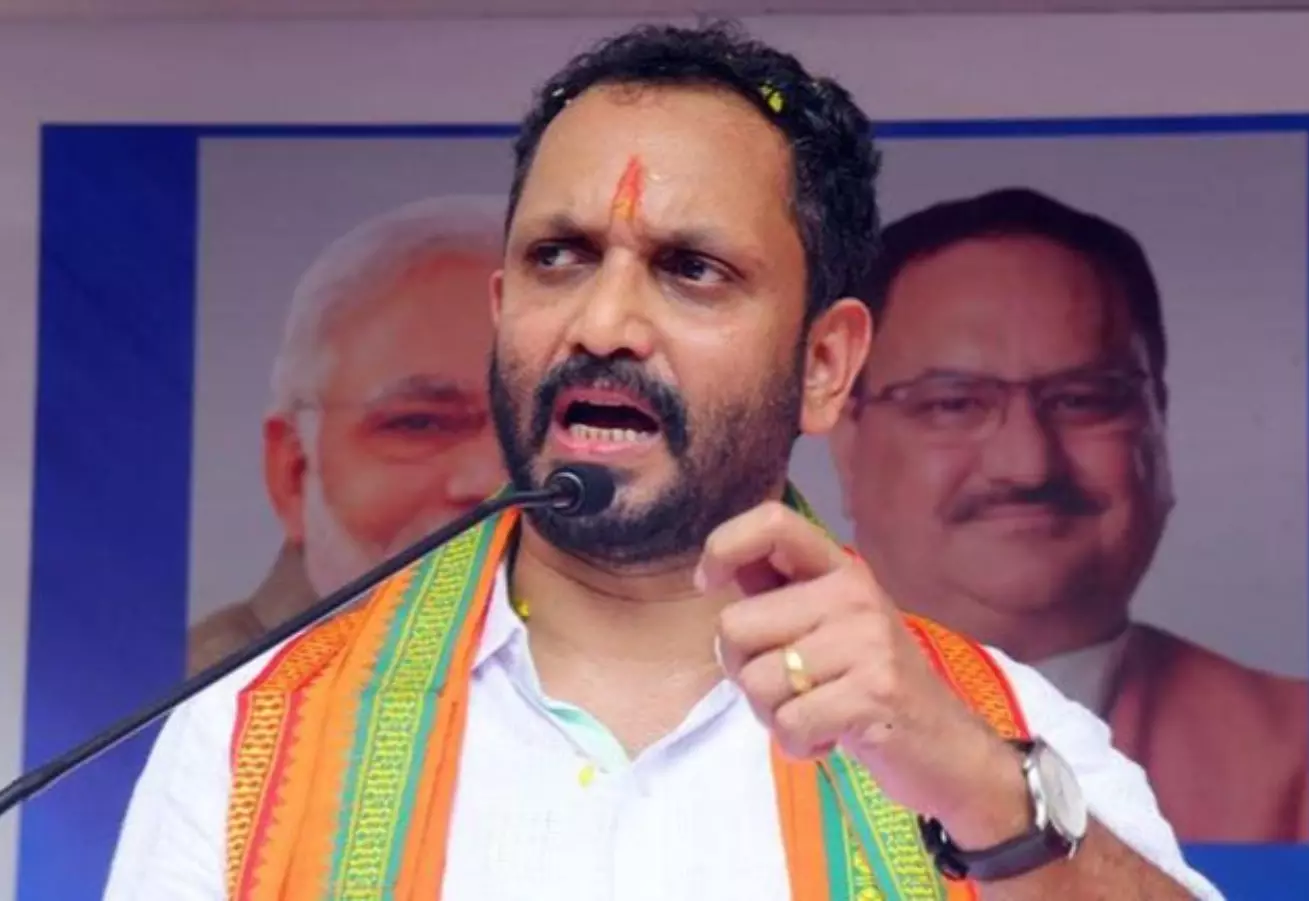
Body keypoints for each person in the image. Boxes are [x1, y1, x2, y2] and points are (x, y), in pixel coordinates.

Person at [106, 24, 1223, 899]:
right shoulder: (257, 735)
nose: (602, 323)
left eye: (690, 268)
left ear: (825, 365)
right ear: (501, 313)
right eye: (559, 257)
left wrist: (985, 795)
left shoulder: (994, 730)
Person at [829, 186, 1309, 843]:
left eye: (1084, 400)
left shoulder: (1305, 759)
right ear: (847, 443)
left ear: (1158, 423)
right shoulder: (731, 739)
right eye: (953, 403)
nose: (1027, 465)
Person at [187, 195, 509, 675]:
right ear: (292, 472)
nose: (490, 480)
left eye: (538, 427)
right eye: (420, 424)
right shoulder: (197, 701)